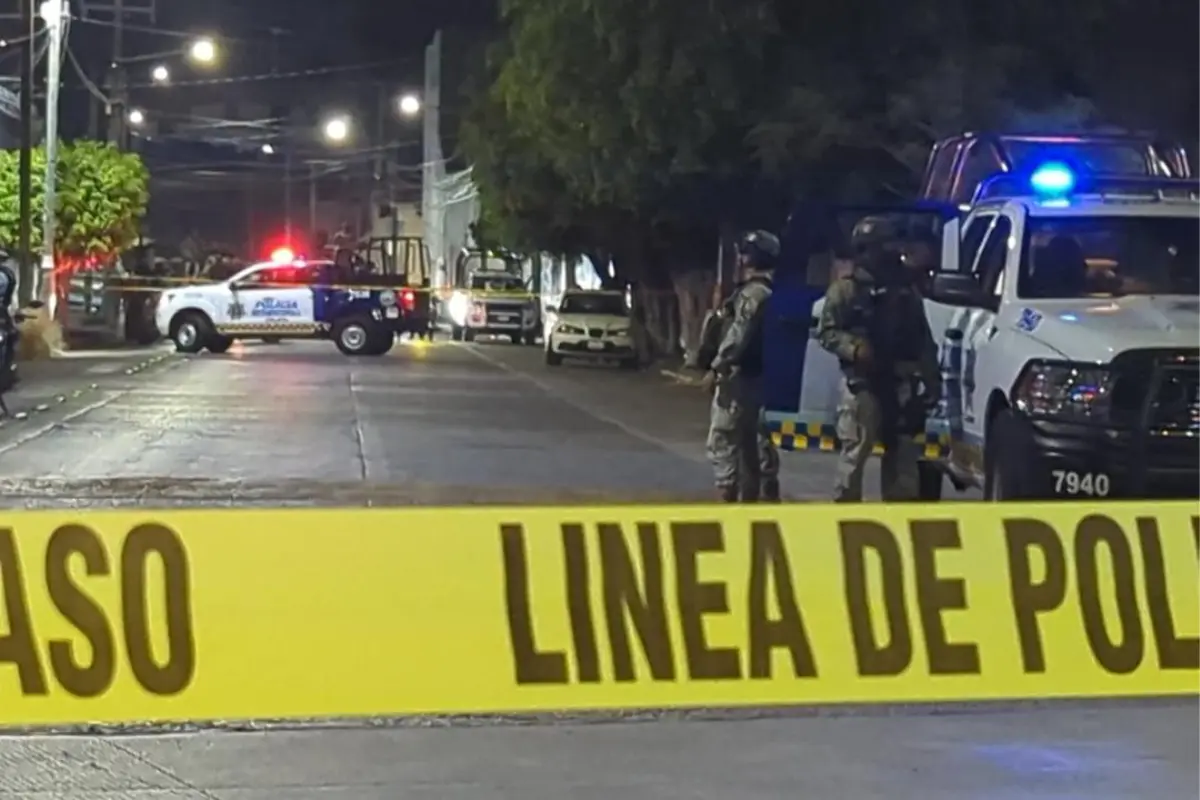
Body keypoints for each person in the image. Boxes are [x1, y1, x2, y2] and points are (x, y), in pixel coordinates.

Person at [817, 216, 941, 502]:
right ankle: (845, 519)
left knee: (904, 460)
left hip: (901, 384)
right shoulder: (846, 290)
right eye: (878, 247)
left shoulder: (906, 291)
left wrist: (932, 383)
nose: (886, 253)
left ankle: (900, 519)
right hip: (863, 384)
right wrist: (854, 348)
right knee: (855, 455)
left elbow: (923, 340)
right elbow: (827, 331)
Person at [701, 229, 781, 503]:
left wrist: (717, 367)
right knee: (753, 443)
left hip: (739, 378)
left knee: (723, 438)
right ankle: (759, 498)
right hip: (761, 378)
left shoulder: (752, 294)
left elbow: (738, 334)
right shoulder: (770, 292)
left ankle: (729, 497)